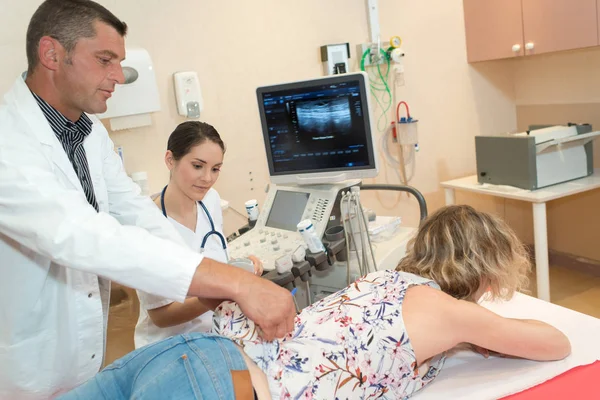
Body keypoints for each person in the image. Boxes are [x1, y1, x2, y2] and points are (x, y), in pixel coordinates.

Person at [0, 1, 294, 399]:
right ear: (51, 54)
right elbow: (82, 234)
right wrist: (236, 282)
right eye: (105, 60)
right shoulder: (8, 141)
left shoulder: (88, 133)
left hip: (86, 360)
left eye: (119, 62)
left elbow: (137, 214)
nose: (118, 76)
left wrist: (218, 278)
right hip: (25, 368)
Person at [201, 205, 569, 399]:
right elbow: (556, 344)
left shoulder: (380, 279)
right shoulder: (455, 313)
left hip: (218, 360)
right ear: (486, 268)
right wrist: (482, 331)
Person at [135, 121, 263, 348]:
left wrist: (239, 268)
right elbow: (161, 316)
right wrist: (222, 289)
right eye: (197, 166)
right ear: (170, 160)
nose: (207, 178)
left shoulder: (211, 200)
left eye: (215, 169)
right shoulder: (148, 226)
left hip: (219, 332)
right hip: (172, 347)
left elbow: (207, 262)